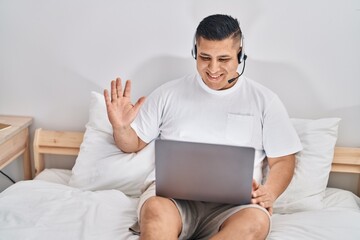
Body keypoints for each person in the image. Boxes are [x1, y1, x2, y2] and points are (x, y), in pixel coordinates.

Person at [104, 14, 302, 240]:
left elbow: (284, 159)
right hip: (172, 200)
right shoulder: (168, 93)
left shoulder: (265, 100)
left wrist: (270, 192)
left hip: (237, 206)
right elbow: (133, 143)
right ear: (194, 52)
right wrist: (120, 127)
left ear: (240, 55)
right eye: (205, 57)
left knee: (256, 223)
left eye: (224, 59)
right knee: (155, 212)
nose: (213, 68)